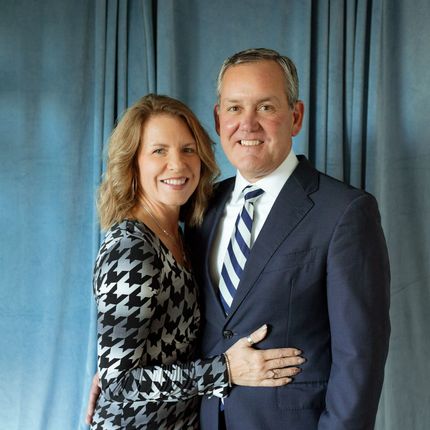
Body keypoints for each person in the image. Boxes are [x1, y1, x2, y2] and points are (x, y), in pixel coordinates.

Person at [185, 48, 390, 429]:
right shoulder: (201, 208)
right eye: (234, 108)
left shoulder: (344, 212)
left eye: (265, 107)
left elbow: (359, 357)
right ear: (217, 118)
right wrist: (121, 374)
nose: (247, 124)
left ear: (295, 117)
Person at [87, 93, 304, 429]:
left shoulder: (184, 233)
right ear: (133, 163)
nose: (178, 164)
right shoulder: (131, 245)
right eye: (159, 151)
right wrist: (227, 370)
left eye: (188, 150)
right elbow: (119, 384)